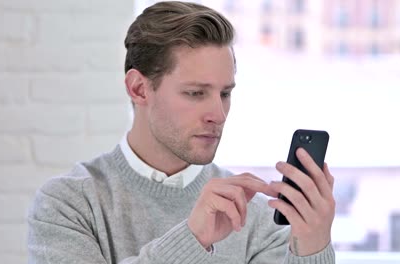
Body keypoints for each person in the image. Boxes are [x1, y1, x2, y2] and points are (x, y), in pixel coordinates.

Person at [27, 1, 336, 263]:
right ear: (139, 89)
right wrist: (192, 240)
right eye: (195, 93)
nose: (218, 114)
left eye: (225, 93)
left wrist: (313, 246)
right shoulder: (68, 204)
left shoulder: (256, 216)